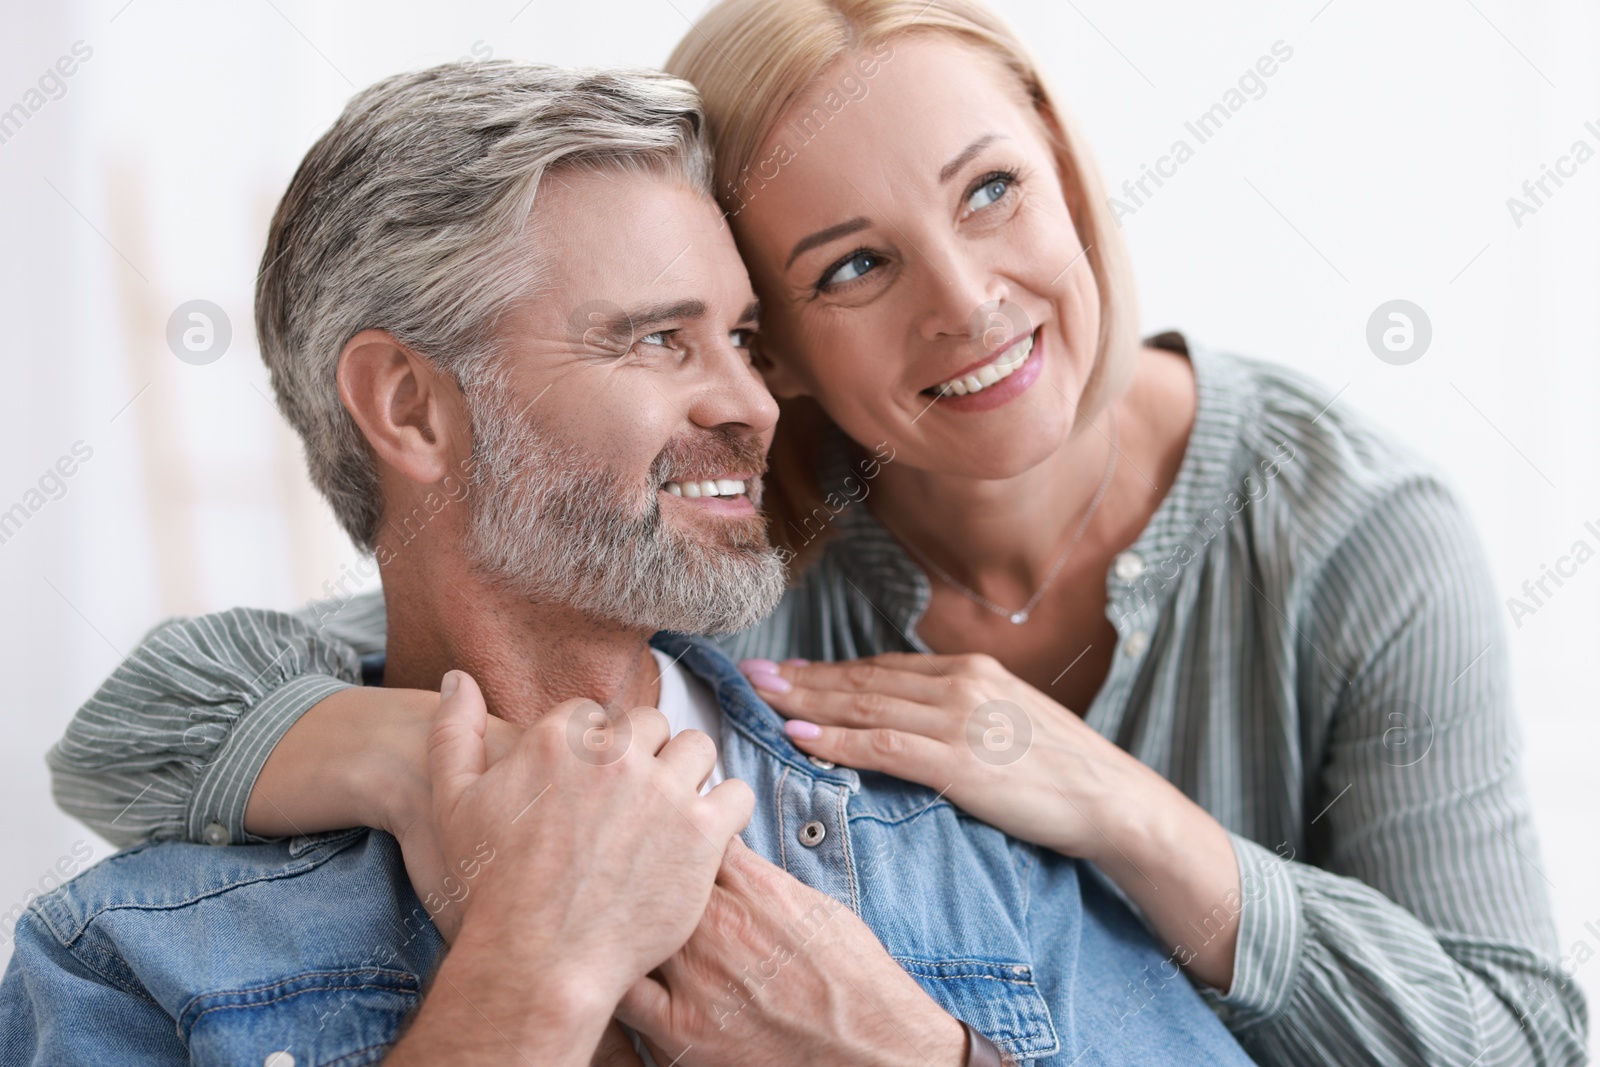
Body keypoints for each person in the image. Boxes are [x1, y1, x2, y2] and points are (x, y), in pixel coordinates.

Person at [46, 1, 1587, 1064]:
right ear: (783, 343)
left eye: (993, 190)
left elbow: (1520, 1043)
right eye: (848, 270)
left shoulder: (1350, 536)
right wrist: (494, 807)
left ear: (1063, 161)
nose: (969, 302)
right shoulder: (756, 542)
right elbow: (148, 721)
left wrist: (1125, 818)